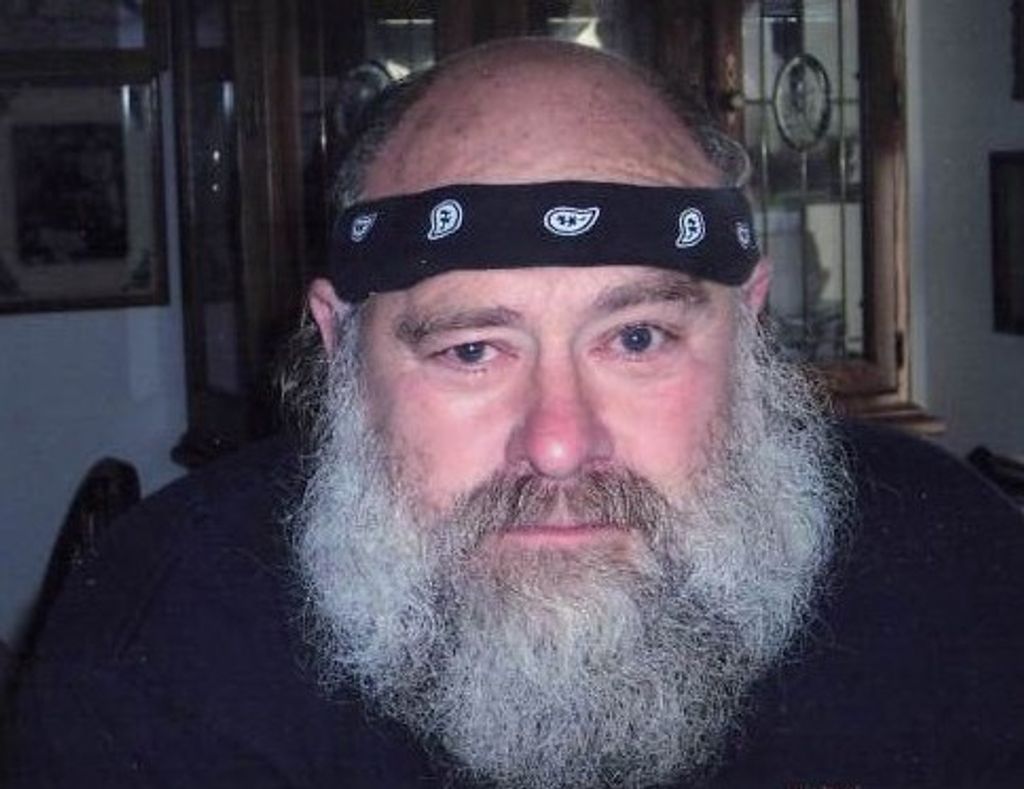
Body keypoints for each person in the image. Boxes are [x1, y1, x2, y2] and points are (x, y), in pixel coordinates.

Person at [5, 38, 1024, 789]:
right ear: (340, 345)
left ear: (747, 323)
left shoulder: (956, 563)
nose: (560, 442)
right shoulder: (160, 644)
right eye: (471, 350)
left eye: (636, 338)